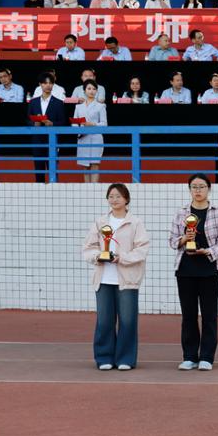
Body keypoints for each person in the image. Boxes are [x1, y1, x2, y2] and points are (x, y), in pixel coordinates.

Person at [82, 183, 150, 371]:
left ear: (126, 199)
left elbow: (142, 249)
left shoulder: (135, 222)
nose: (114, 200)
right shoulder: (100, 222)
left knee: (128, 320)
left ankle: (125, 359)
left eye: (118, 196)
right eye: (111, 196)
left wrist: (122, 258)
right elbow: (88, 248)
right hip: (104, 279)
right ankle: (104, 357)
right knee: (104, 320)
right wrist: (98, 256)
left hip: (127, 279)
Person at [169, 173, 218, 371]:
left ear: (208, 189)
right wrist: (184, 239)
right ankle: (189, 356)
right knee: (188, 315)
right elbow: (172, 241)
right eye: (194, 187)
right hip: (185, 270)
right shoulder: (181, 213)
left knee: (209, 315)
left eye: (202, 186)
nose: (198, 190)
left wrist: (208, 251)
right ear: (189, 190)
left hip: (209, 269)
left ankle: (206, 357)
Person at [29, 73, 67, 183]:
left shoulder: (59, 103)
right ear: (40, 84)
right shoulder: (33, 102)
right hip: (37, 141)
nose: (48, 85)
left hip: (52, 141)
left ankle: (54, 190)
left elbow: (63, 122)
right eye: (45, 83)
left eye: (50, 83)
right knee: (39, 171)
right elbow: (27, 119)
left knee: (53, 171)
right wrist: (34, 123)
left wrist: (52, 124)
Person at [74, 80, 107, 182]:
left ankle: (94, 189)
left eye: (94, 89)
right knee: (85, 166)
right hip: (83, 138)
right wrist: (78, 131)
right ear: (84, 91)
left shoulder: (101, 106)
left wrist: (93, 124)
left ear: (96, 91)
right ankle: (87, 189)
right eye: (89, 89)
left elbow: (104, 124)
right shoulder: (78, 107)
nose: (91, 91)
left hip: (96, 138)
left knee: (94, 164)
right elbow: (74, 122)